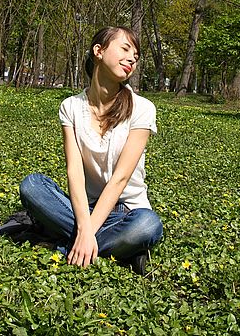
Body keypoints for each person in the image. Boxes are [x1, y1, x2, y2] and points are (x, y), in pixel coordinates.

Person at [19, 26, 163, 275]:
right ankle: (116, 249)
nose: (132, 59)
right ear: (99, 51)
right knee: (32, 185)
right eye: (125, 49)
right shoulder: (70, 107)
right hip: (85, 208)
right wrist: (85, 223)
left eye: (136, 57)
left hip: (127, 211)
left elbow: (120, 178)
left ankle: (68, 244)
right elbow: (74, 170)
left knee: (148, 225)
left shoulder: (142, 108)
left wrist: (86, 230)